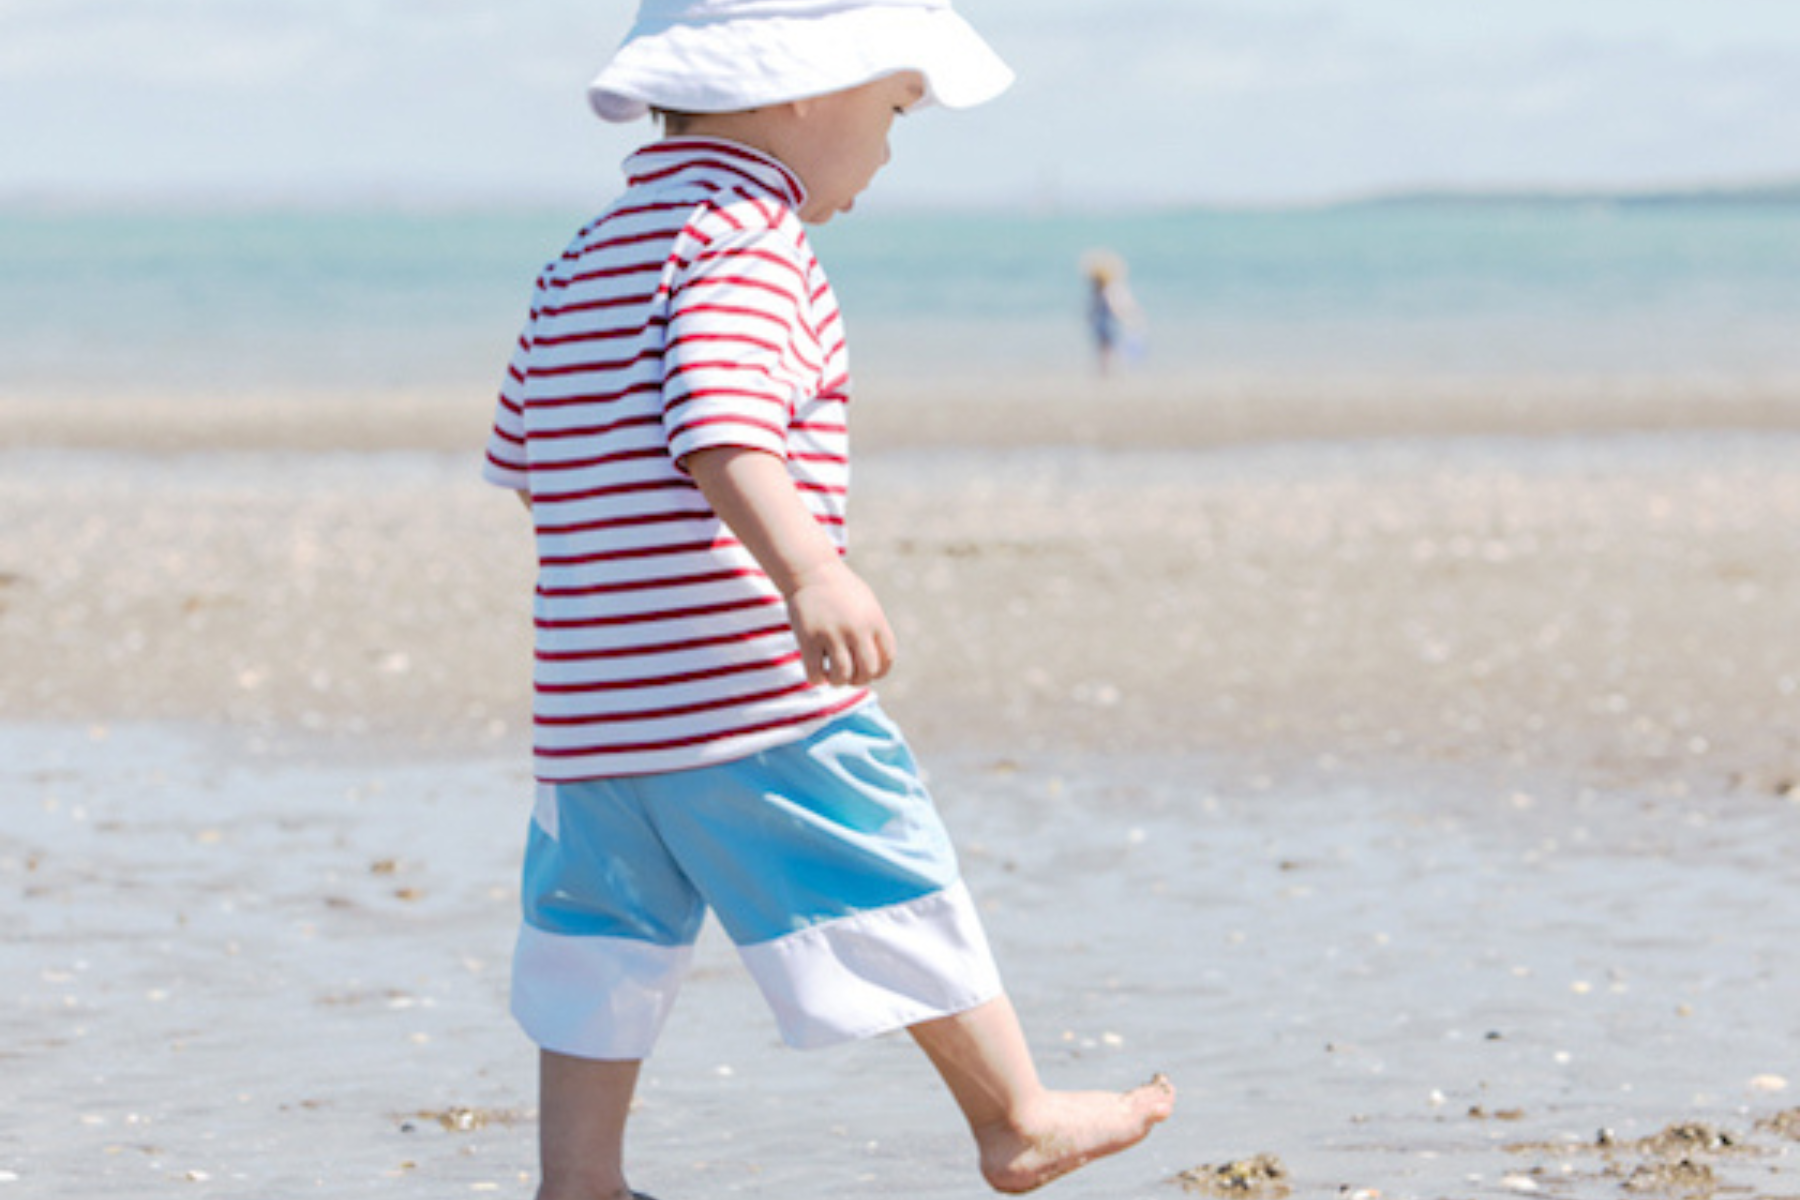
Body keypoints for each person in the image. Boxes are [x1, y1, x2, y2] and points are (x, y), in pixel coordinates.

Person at [482, 3, 1176, 1197]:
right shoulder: (745, 243)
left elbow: (530, 462)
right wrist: (810, 570)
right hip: (746, 692)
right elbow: (721, 417)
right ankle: (1015, 1117)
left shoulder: (583, 255)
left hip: (593, 711)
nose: (893, 151)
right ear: (800, 88)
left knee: (596, 942)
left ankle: (579, 1181)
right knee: (880, 870)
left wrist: (615, 616)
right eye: (895, 110)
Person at [1081, 248, 1145, 376]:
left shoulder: (1102, 291)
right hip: (1108, 325)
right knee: (1109, 349)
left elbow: (1093, 309)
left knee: (1105, 350)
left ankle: (1107, 372)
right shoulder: (1109, 291)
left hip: (1104, 325)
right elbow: (1117, 307)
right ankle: (1109, 372)